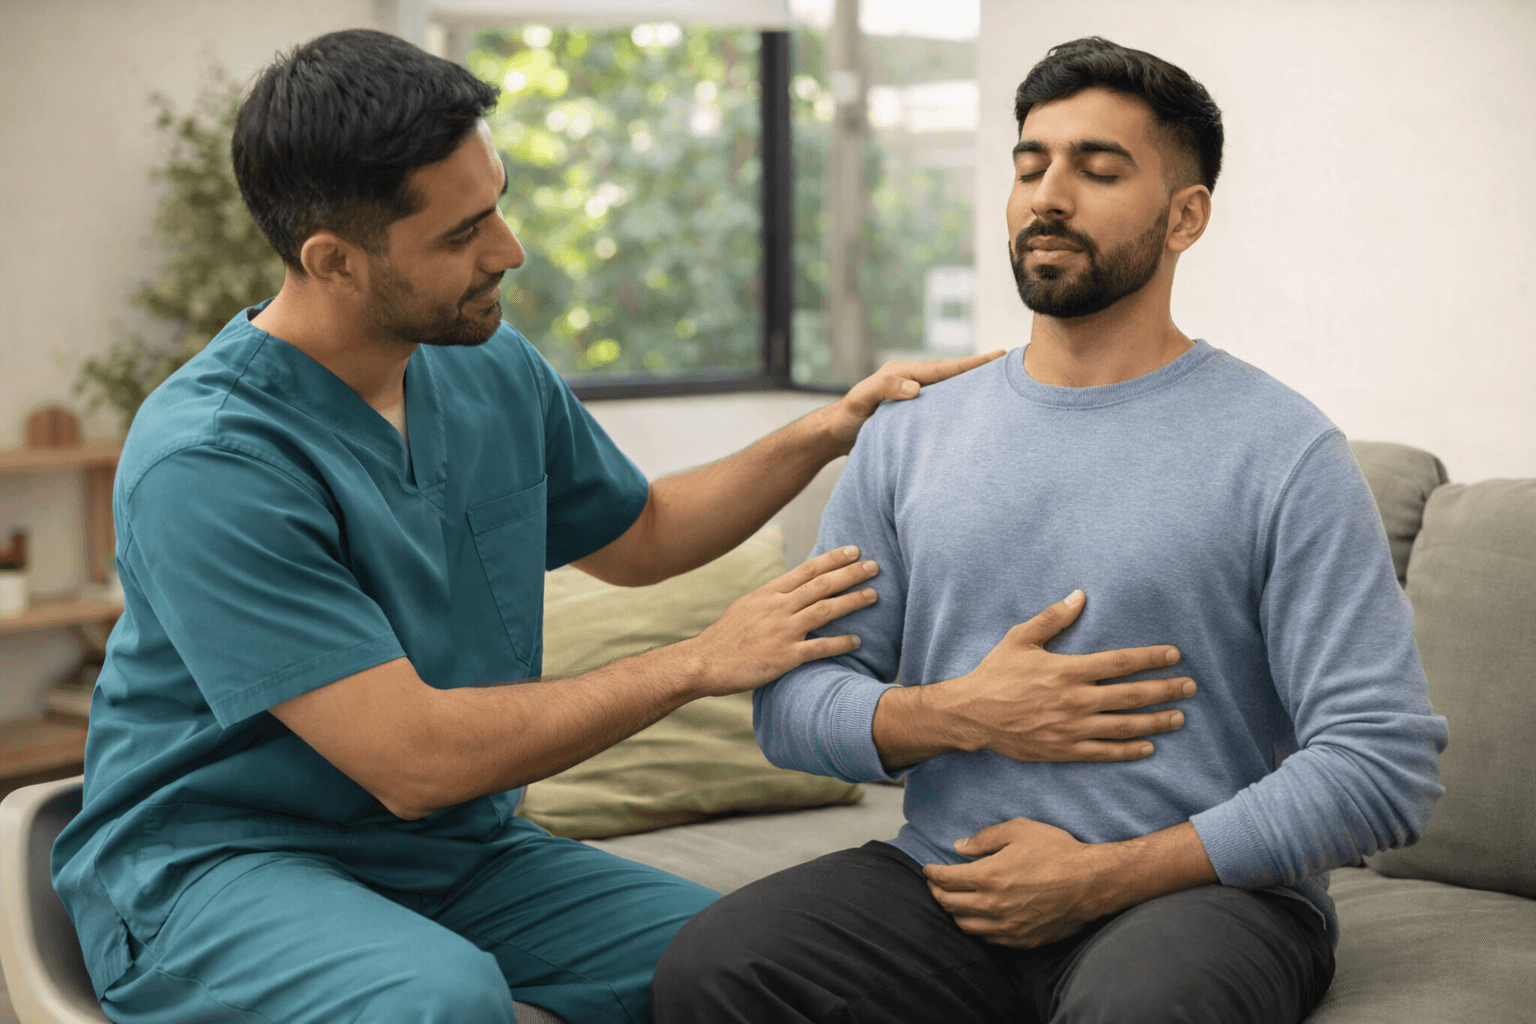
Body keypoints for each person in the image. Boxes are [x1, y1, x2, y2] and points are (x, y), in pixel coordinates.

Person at [652, 36, 1448, 1024]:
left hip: (1199, 899)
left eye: (1097, 167)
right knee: (712, 969)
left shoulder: (1283, 450)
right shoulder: (908, 435)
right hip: (946, 885)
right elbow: (792, 705)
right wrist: (956, 712)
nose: (1047, 195)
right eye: (1031, 164)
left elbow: (1385, 762)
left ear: (1184, 216)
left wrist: (1106, 875)